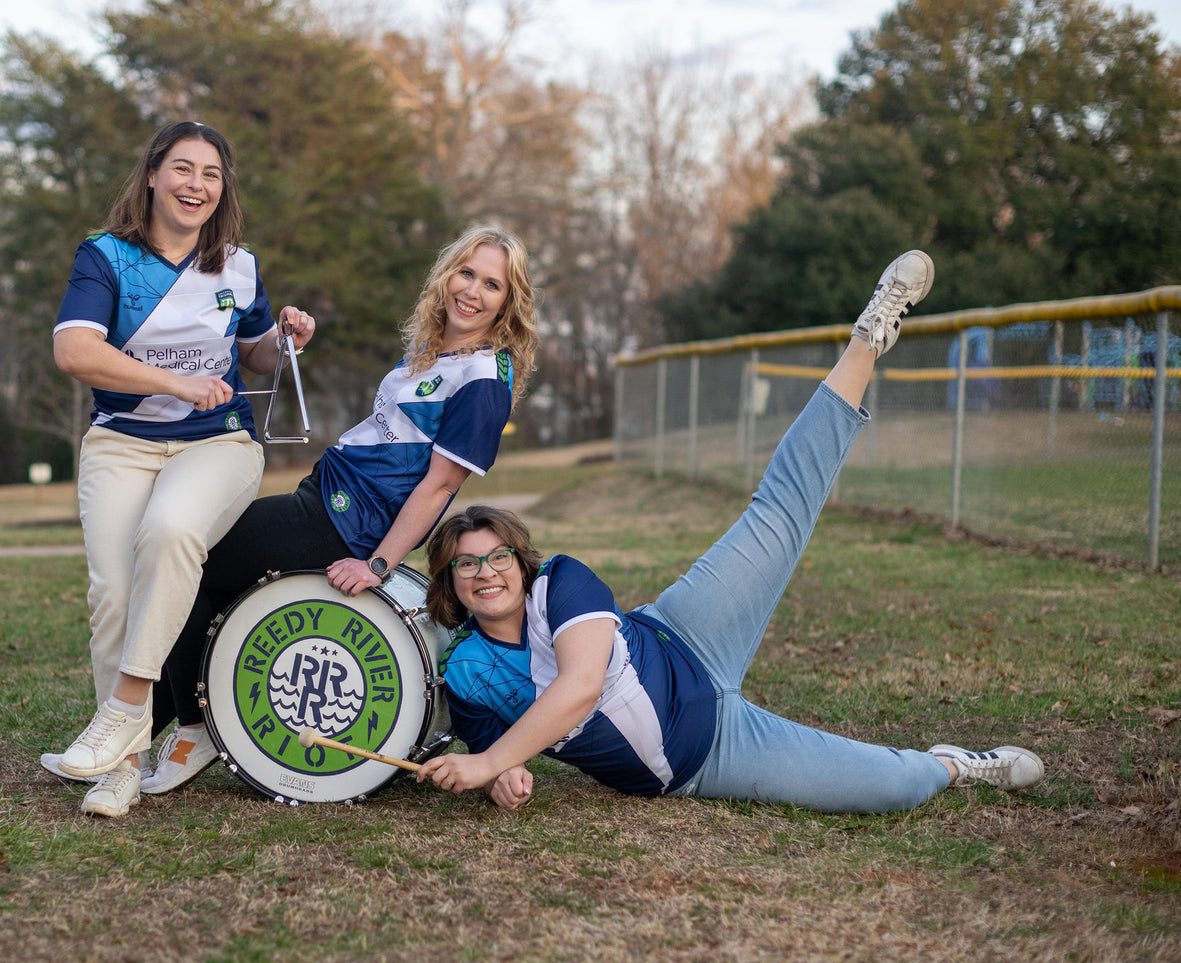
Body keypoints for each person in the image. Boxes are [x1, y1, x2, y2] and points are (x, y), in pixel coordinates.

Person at [416, 251, 1047, 812]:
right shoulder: (467, 670)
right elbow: (500, 753)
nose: (486, 572)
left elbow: (580, 688)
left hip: (689, 632)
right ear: (451, 585)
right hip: (707, 756)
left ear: (520, 563)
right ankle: (957, 765)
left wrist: (491, 764)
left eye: (497, 556)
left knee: (779, 510)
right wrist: (503, 774)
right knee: (894, 789)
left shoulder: (561, 584)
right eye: (466, 565)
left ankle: (869, 335)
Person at [137, 222, 540, 796]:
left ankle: (192, 730)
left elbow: (437, 487)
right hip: (323, 501)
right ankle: (133, 733)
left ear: (509, 303)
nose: (472, 291)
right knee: (196, 579)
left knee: (186, 564)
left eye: (492, 285)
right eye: (466, 273)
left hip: (340, 522)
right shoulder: (435, 353)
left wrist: (377, 564)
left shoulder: (482, 377)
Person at [47, 121, 315, 818]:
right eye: (182, 169)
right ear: (151, 176)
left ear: (222, 189)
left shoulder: (238, 264)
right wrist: (172, 383)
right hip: (121, 443)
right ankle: (124, 766)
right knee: (112, 595)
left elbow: (253, 354)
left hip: (217, 444)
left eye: (211, 174)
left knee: (169, 534)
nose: (196, 184)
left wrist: (282, 337)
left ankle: (125, 709)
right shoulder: (105, 257)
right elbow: (76, 352)